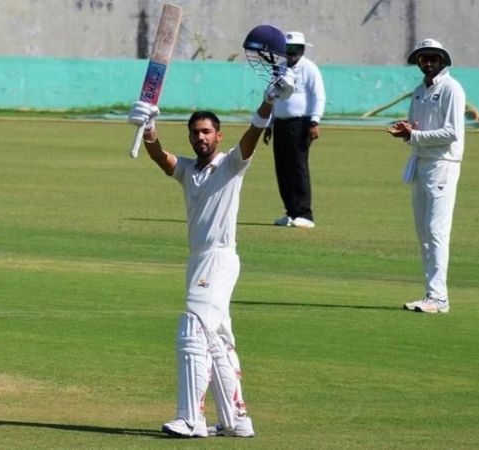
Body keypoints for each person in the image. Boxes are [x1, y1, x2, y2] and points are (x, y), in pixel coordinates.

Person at [127, 38, 295, 438]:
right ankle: (237, 421)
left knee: (191, 325)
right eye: (195, 133)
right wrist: (148, 126)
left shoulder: (231, 165)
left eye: (206, 132)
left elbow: (252, 137)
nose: (200, 138)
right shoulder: (189, 170)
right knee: (217, 337)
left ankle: (191, 418)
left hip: (220, 259)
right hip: (197, 259)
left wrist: (269, 103)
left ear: (219, 136)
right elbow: (158, 157)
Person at [387, 38, 465, 314]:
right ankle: (432, 294)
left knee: (436, 232)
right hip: (421, 164)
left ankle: (439, 297)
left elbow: (452, 132)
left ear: (442, 60)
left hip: (443, 165)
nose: (428, 63)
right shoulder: (419, 91)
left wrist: (415, 134)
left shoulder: (451, 89)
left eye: (433, 58)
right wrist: (405, 131)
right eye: (423, 59)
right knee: (423, 233)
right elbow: (415, 130)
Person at [262, 31, 326, 228]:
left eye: (295, 49)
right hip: (280, 123)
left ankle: (305, 214)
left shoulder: (310, 69)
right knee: (282, 168)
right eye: (287, 49)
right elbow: (273, 97)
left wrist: (314, 122)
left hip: (300, 124)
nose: (291, 52)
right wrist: (269, 125)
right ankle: (290, 212)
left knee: (298, 168)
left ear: (302, 49)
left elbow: (319, 96)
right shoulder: (280, 69)